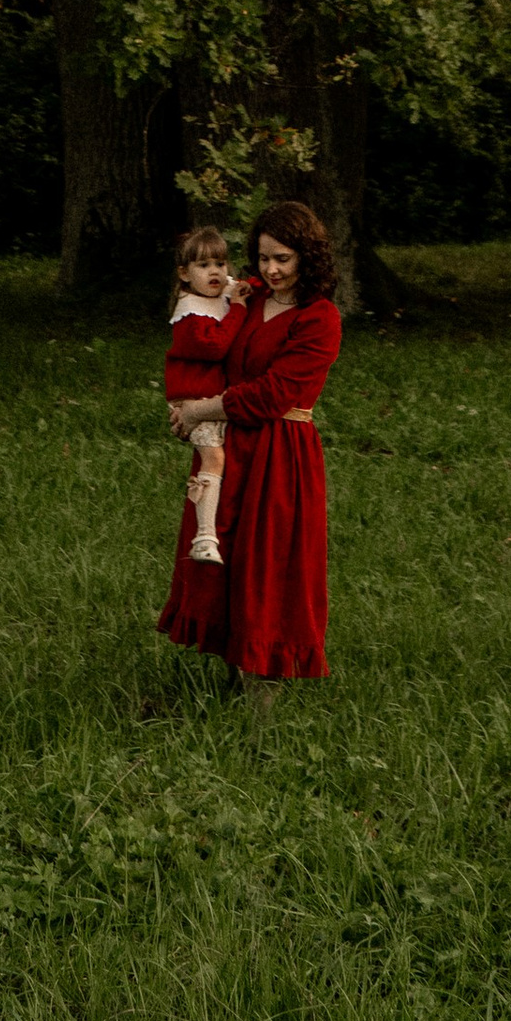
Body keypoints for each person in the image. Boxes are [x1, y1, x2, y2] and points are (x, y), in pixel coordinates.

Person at [157, 197, 342, 690]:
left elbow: (274, 394)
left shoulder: (319, 317)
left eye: (283, 257)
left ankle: (265, 701)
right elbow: (203, 349)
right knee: (225, 561)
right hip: (232, 445)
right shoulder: (250, 298)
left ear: (308, 256)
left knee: (271, 568)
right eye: (263, 257)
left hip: (282, 454)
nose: (271, 268)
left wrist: (201, 409)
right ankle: (232, 683)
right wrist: (185, 407)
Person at [163, 218, 245, 565]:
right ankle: (205, 536)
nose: (215, 272)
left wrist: (238, 289)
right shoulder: (190, 315)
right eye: (204, 265)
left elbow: (242, 285)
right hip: (194, 399)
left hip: (211, 399)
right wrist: (239, 310)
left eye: (220, 263)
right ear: (184, 273)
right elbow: (216, 347)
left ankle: (210, 532)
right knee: (214, 459)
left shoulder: (214, 293)